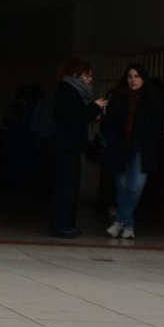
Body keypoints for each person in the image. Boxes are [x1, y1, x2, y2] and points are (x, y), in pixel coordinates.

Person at [101, 62, 164, 241]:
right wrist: (115, 142)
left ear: (143, 78)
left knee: (136, 186)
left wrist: (150, 142)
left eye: (137, 76)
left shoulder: (153, 99)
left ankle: (119, 221)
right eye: (130, 76)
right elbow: (107, 124)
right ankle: (128, 226)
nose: (133, 80)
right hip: (120, 148)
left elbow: (159, 126)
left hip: (143, 149)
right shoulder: (117, 96)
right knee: (122, 187)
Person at [48, 57, 108, 238]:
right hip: (66, 145)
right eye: (87, 75)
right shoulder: (67, 91)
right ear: (76, 74)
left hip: (70, 145)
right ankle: (60, 225)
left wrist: (92, 111)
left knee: (71, 186)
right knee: (67, 186)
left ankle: (67, 224)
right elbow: (75, 117)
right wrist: (94, 108)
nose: (90, 79)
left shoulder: (72, 91)